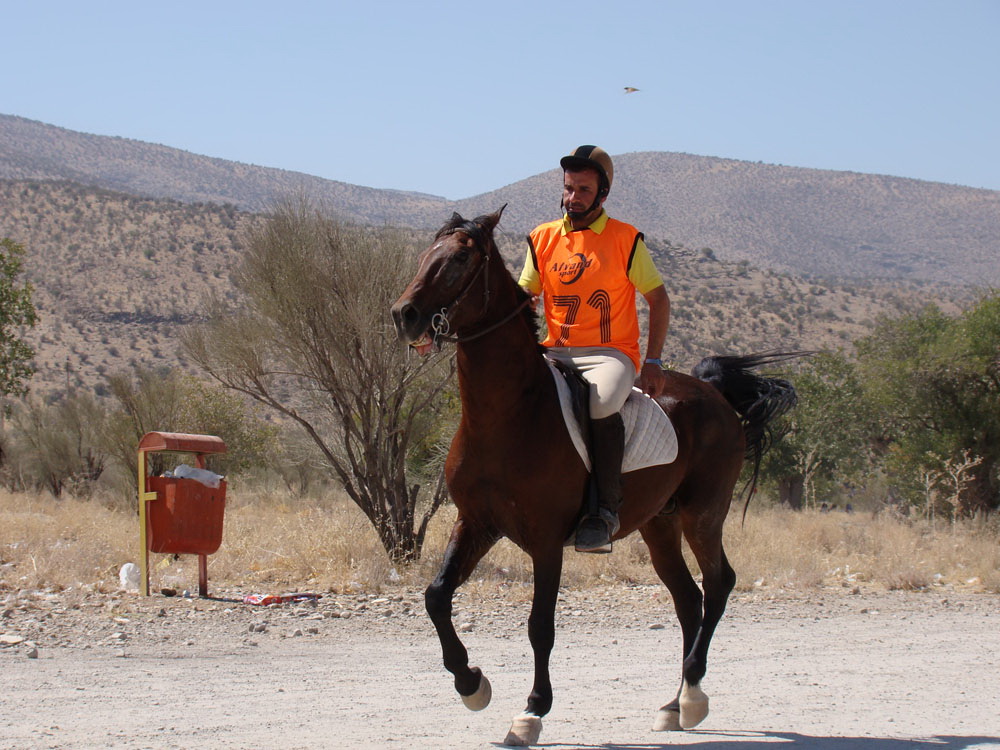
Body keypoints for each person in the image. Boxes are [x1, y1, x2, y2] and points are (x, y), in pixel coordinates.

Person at [518, 145, 670, 553]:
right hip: (554, 352)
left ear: (602, 194)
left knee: (601, 404)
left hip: (610, 354)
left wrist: (652, 361)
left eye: (584, 189)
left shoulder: (625, 239)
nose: (574, 197)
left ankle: (604, 511)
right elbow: (523, 297)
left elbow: (658, 298)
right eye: (569, 188)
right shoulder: (542, 238)